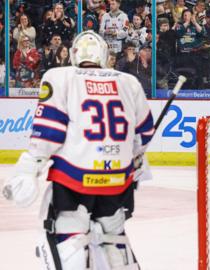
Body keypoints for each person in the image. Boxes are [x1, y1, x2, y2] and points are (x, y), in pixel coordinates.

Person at [3, 31, 153, 269]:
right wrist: (133, 159)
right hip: (116, 183)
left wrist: (29, 169)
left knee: (68, 243)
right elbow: (144, 134)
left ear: (74, 54)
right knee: (115, 241)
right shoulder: (128, 82)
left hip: (74, 183)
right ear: (103, 55)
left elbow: (48, 132)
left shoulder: (60, 76)